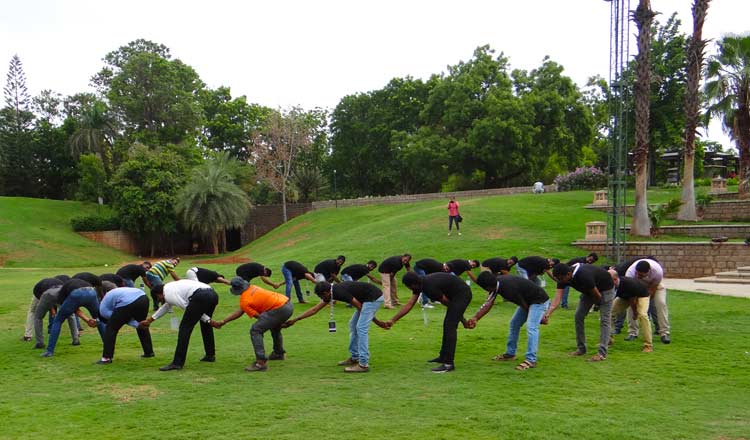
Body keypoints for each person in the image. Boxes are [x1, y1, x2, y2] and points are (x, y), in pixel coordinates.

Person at [284, 281, 387, 373]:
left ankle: (363, 364)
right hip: (365, 299)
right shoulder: (331, 292)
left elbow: (359, 306)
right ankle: (355, 357)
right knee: (353, 324)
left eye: (321, 297)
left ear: (326, 293)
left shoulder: (339, 292)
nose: (322, 299)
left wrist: (377, 322)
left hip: (374, 298)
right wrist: (296, 319)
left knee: (361, 328)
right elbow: (314, 310)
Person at [386, 272, 472, 373]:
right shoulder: (421, 284)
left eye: (408, 286)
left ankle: (448, 364)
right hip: (455, 295)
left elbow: (447, 303)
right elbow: (409, 304)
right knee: (448, 325)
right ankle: (443, 357)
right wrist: (393, 320)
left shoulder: (429, 287)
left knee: (450, 326)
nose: (409, 289)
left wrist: (463, 320)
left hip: (462, 295)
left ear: (413, 284)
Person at [471, 272, 550, 370]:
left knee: (531, 326)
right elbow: (488, 303)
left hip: (539, 301)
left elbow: (524, 305)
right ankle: (510, 354)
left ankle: (531, 360)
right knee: (514, 324)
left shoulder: (509, 288)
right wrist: (475, 318)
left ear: (487, 287)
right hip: (528, 301)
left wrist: (539, 318)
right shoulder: (497, 283)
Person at [215, 277, 293, 372]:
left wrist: (272, 321)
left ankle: (261, 363)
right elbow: (241, 311)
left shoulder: (245, 300)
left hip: (278, 309)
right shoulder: (253, 287)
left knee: (256, 330)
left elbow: (259, 317)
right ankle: (278, 353)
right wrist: (224, 321)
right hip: (287, 304)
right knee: (274, 328)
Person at [139, 279, 220, 371]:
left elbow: (186, 307)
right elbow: (166, 306)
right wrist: (150, 320)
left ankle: (177, 363)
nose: (161, 301)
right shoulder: (171, 287)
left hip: (200, 296)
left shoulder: (168, 294)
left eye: (160, 299)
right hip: (213, 294)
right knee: (205, 326)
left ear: (159, 294)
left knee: (184, 329)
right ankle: (210, 355)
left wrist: (208, 320)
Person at [546, 263, 616, 362]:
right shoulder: (562, 277)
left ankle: (601, 354)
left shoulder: (584, 276)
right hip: (588, 290)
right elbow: (558, 297)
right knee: (578, 316)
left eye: (561, 279)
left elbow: (598, 297)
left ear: (569, 274)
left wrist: (597, 305)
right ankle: (581, 349)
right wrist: (548, 313)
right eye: (558, 279)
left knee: (604, 320)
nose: (560, 281)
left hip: (605, 289)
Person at [41, 277, 106, 358]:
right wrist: (87, 320)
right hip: (91, 292)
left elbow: (72, 308)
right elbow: (76, 308)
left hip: (76, 294)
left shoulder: (63, 290)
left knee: (58, 321)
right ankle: (108, 347)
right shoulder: (78, 282)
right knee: (99, 320)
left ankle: (49, 351)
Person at [97, 286, 154, 364]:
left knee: (110, 329)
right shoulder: (109, 297)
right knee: (142, 324)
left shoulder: (103, 311)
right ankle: (149, 352)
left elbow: (122, 320)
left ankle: (106, 358)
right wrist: (137, 324)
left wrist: (136, 324)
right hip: (143, 297)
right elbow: (124, 317)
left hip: (128, 301)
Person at [625, 258, 670, 344]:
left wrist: (646, 303)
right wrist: (635, 308)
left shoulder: (657, 271)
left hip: (654, 286)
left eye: (641, 275)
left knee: (661, 303)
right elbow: (631, 294)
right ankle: (632, 332)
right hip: (635, 286)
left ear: (648, 272)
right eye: (637, 274)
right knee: (630, 305)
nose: (639, 276)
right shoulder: (630, 273)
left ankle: (664, 333)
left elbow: (652, 290)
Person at [606, 270, 653, 353]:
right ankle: (608, 340)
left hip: (642, 295)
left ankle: (648, 345)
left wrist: (635, 313)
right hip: (625, 296)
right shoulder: (610, 284)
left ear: (615, 280)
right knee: (609, 313)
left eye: (609, 281)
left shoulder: (629, 284)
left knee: (642, 315)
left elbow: (632, 301)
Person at [31, 276, 79, 349]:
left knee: (38, 317)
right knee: (70, 315)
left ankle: (40, 343)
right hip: (61, 290)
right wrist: (52, 310)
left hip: (48, 293)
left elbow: (45, 300)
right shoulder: (58, 282)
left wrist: (52, 310)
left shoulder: (37, 289)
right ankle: (76, 339)